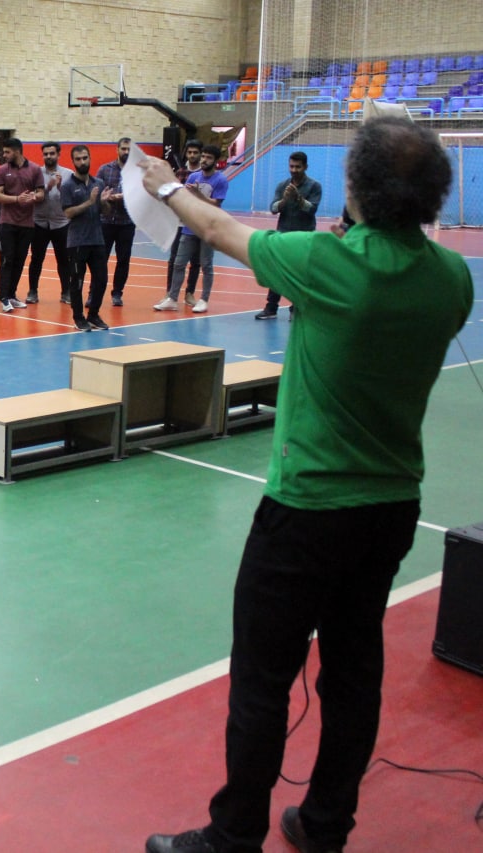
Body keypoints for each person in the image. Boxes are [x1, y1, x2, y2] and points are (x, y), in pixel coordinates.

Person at [139, 116, 473, 853]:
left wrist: (165, 186)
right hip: (390, 508)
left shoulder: (325, 263)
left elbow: (217, 226)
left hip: (306, 510)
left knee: (262, 679)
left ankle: (233, 837)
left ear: (358, 189)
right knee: (353, 672)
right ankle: (325, 826)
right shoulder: (452, 277)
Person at [155, 144, 228, 314]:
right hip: (189, 226)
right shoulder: (193, 176)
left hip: (208, 228)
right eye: (203, 156)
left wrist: (198, 194)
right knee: (179, 263)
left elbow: (216, 204)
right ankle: (172, 298)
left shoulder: (220, 180)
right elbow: (185, 198)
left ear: (216, 161)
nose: (204, 160)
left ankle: (204, 299)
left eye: (208, 157)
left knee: (206, 265)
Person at [257, 152, 322, 320]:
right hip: (283, 235)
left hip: (304, 236)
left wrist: (298, 199)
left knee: (299, 273)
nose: (294, 170)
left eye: (298, 167)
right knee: (277, 272)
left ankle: (296, 308)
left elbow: (312, 209)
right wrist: (285, 200)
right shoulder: (283, 186)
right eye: (291, 166)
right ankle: (271, 308)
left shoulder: (314, 186)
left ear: (305, 167)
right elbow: (273, 208)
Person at [0, 138, 45, 310]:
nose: (4, 155)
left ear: (17, 151)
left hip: (27, 224)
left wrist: (34, 197)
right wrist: (16, 199)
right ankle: (4, 297)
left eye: (7, 152)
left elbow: (41, 193)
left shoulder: (35, 169)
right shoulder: (2, 170)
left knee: (19, 260)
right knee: (6, 260)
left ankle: (11, 294)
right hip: (7, 222)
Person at [61, 144, 110, 331]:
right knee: (77, 282)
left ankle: (94, 315)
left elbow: (105, 212)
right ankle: (78, 317)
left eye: (85, 158)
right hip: (77, 242)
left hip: (97, 239)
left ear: (90, 158)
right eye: (78, 159)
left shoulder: (99, 183)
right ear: (73, 161)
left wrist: (103, 202)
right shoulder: (67, 186)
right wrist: (89, 202)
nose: (82, 162)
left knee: (101, 280)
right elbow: (68, 213)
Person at [28, 141, 74, 311]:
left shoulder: (68, 174)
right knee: (36, 259)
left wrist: (60, 187)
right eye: (46, 154)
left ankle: (66, 291)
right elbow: (33, 196)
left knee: (63, 260)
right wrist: (47, 187)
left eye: (52, 153)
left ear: (58, 154)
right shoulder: (36, 173)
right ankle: (33, 291)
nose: (48, 156)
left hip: (61, 223)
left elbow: (72, 199)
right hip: (39, 222)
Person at [97, 136, 136, 307]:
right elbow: (96, 192)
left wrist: (126, 197)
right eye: (123, 149)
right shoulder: (105, 169)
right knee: (100, 260)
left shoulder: (138, 172)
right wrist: (107, 197)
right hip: (105, 222)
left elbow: (143, 195)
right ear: (117, 150)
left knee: (123, 260)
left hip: (126, 223)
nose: (126, 152)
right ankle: (94, 293)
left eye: (129, 149)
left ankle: (117, 293)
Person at [166, 139, 203, 302]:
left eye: (195, 152)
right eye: (190, 152)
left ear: (200, 154)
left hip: (197, 222)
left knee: (195, 260)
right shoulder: (179, 173)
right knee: (174, 259)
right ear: (186, 154)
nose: (192, 155)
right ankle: (169, 293)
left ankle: (189, 293)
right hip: (179, 222)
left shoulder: (205, 173)